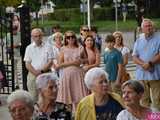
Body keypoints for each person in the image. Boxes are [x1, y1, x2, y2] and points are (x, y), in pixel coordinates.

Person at [56, 30, 88, 112]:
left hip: (78, 75)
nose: (70, 39)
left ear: (75, 38)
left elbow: (86, 60)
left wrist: (81, 61)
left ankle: (80, 114)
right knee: (68, 99)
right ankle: (70, 115)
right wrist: (72, 63)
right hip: (67, 75)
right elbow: (59, 65)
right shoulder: (63, 49)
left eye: (72, 37)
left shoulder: (80, 47)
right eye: (68, 37)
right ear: (65, 39)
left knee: (80, 96)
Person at [132, 18, 160, 111]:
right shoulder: (139, 39)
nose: (149, 28)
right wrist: (144, 64)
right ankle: (147, 118)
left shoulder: (159, 38)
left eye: (150, 25)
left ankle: (155, 118)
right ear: (142, 28)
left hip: (156, 74)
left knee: (157, 100)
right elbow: (134, 56)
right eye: (146, 26)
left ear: (153, 27)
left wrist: (150, 63)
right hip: (142, 74)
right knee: (143, 101)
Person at [24, 28, 54, 101]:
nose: (37, 38)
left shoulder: (48, 46)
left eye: (39, 36)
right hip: (32, 75)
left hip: (46, 74)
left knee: (46, 97)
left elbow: (50, 61)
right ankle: (35, 112)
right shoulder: (29, 48)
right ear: (32, 37)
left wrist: (41, 72)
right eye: (35, 36)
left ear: (42, 36)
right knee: (33, 97)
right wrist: (35, 73)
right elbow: (27, 63)